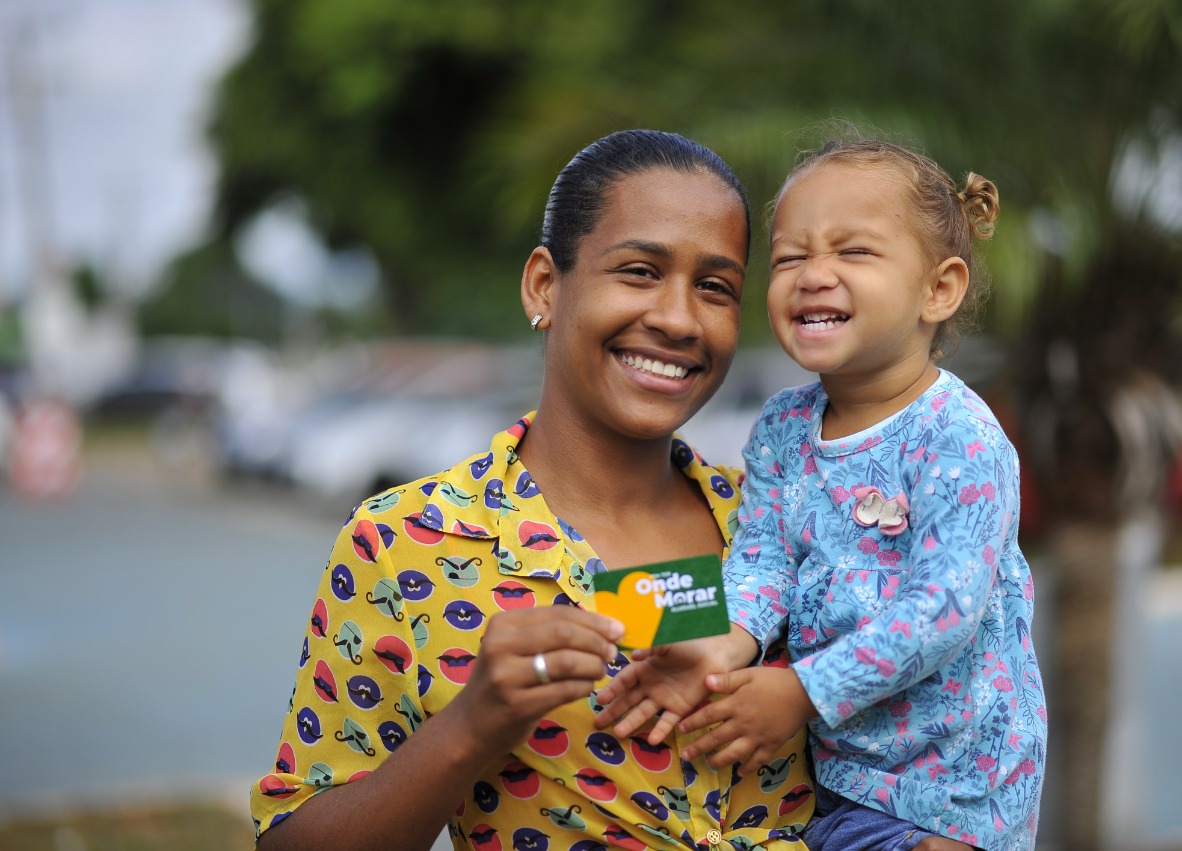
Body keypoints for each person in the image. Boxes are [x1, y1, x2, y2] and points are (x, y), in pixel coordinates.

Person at [250, 129, 816, 851]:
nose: (678, 318)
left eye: (715, 287)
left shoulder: (789, 525)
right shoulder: (403, 544)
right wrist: (474, 723)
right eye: (640, 270)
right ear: (545, 285)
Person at [596, 134, 1047, 851]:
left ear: (940, 288)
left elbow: (946, 605)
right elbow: (765, 561)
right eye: (790, 257)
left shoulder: (958, 434)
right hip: (838, 782)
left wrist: (805, 691)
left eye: (853, 251)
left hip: (950, 798)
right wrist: (726, 644)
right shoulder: (783, 427)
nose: (813, 274)